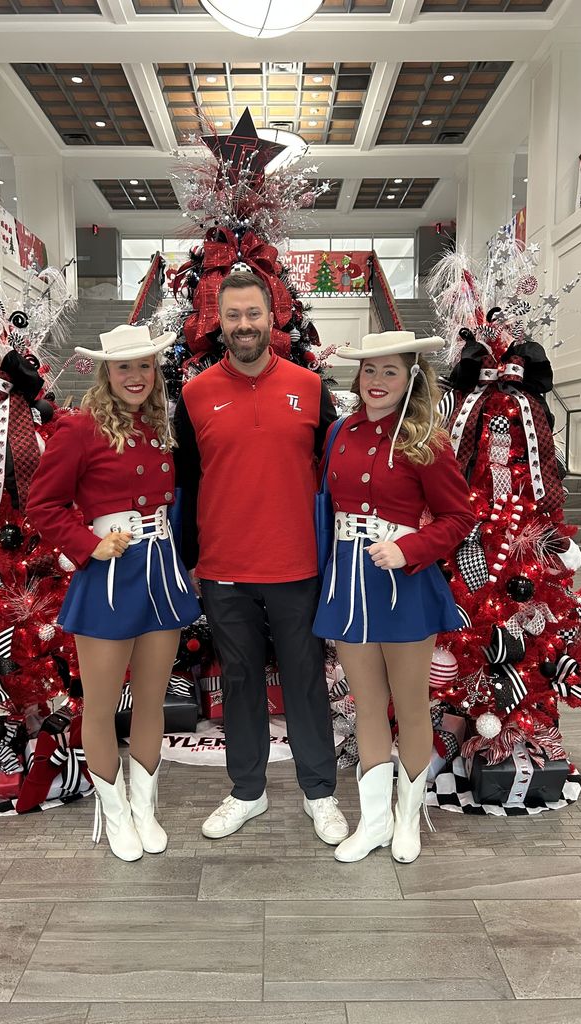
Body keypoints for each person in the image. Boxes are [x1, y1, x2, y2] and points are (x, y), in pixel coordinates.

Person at [174, 270, 349, 845]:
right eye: (233, 315)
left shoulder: (309, 386)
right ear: (218, 322)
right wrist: (190, 558)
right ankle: (247, 791)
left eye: (253, 313)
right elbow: (186, 484)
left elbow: (337, 470)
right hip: (224, 568)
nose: (244, 325)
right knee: (240, 681)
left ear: (273, 317)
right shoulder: (194, 395)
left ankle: (319, 793)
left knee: (305, 681)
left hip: (297, 565)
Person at [27, 324, 200, 861]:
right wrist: (89, 544)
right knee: (101, 707)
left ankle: (144, 808)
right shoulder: (79, 429)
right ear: (107, 371)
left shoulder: (157, 426)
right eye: (125, 366)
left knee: (151, 700)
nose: (136, 375)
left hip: (160, 574)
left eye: (145, 365)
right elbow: (43, 505)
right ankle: (116, 811)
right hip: (108, 577)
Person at [312, 331, 475, 864]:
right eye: (370, 370)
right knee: (367, 707)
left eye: (390, 371)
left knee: (410, 704)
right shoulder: (340, 431)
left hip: (404, 586)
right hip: (349, 584)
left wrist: (410, 549)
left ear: (410, 378)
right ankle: (374, 822)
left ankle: (408, 819)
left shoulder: (425, 439)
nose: (377, 381)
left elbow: (459, 517)